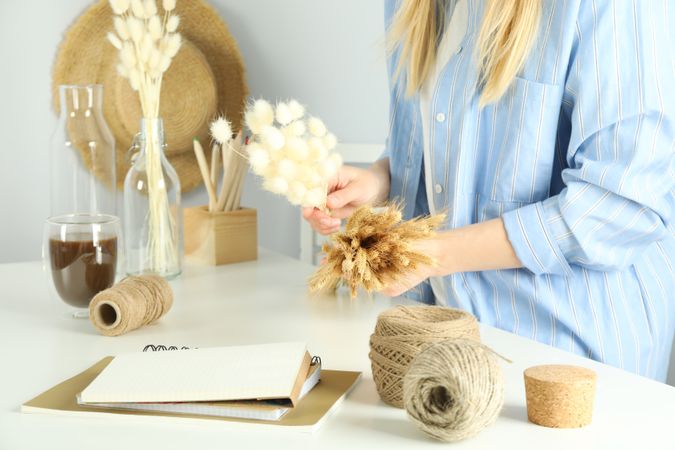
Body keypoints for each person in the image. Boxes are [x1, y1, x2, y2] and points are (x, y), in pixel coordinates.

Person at [303, 0, 675, 381]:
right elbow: (446, 142)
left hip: (567, 360)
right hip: (446, 343)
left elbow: (622, 206)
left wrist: (434, 255)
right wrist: (381, 182)